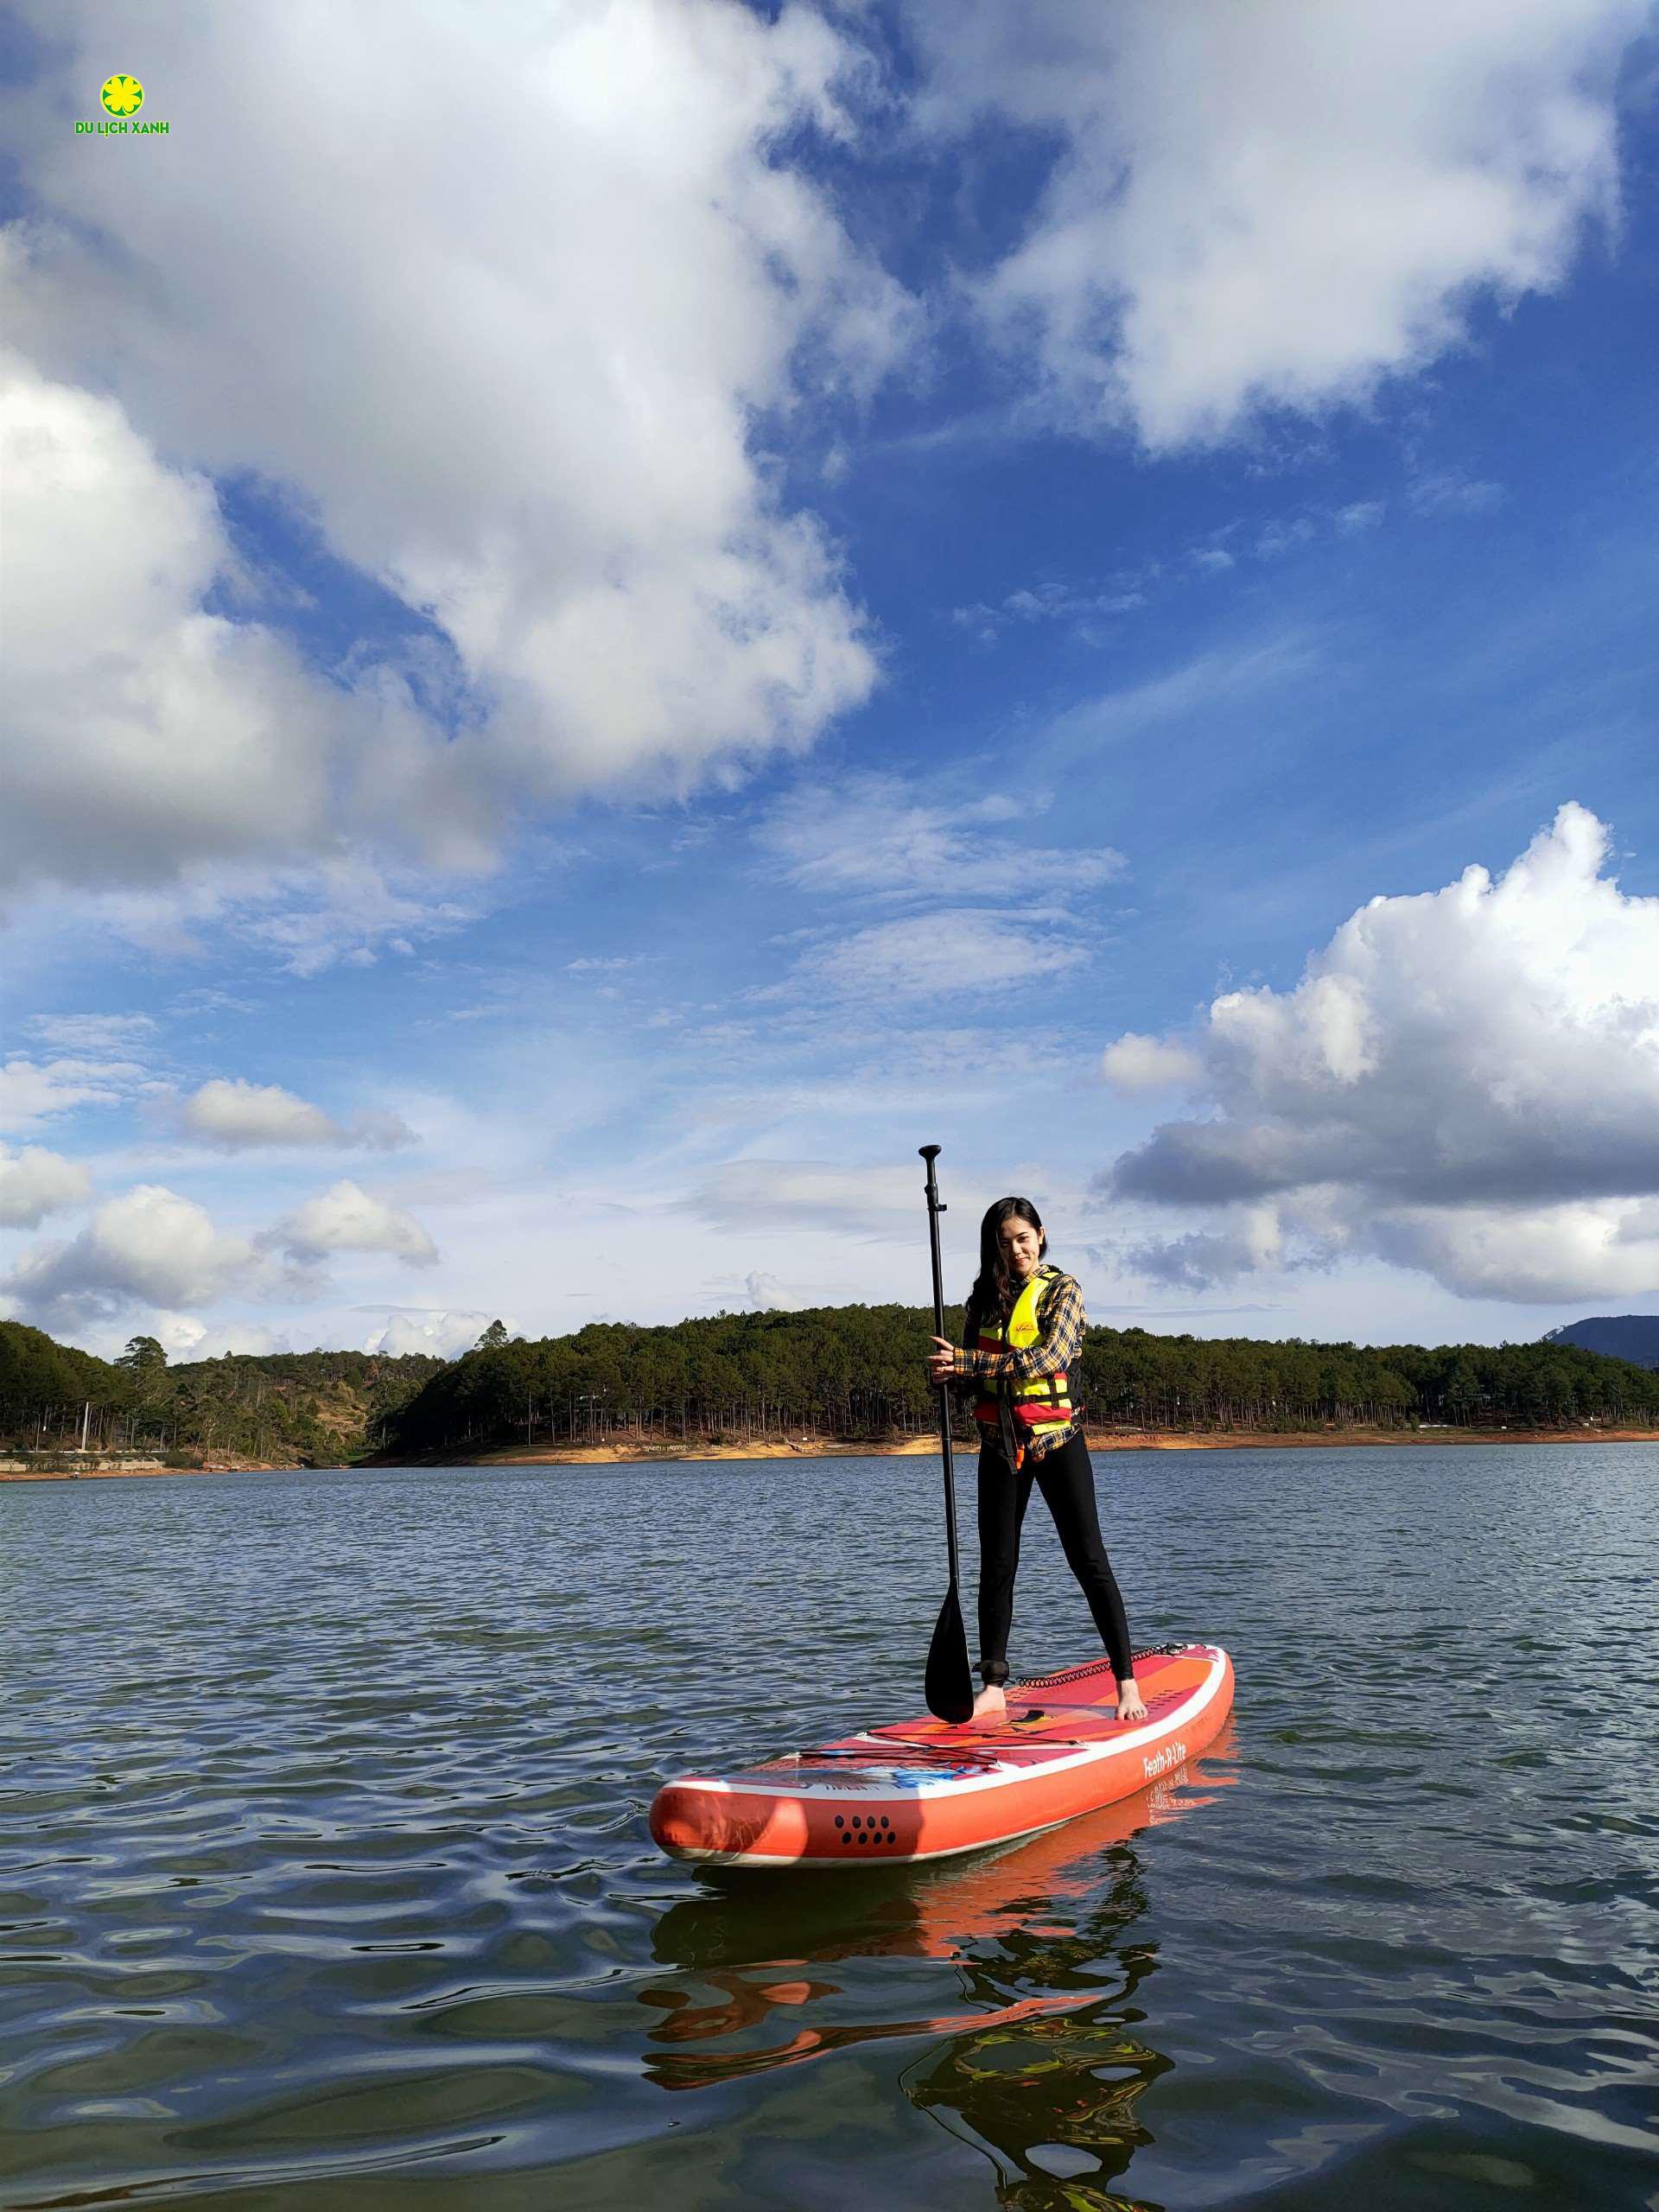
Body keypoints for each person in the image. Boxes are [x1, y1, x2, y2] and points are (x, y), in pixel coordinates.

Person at [927, 1196, 1147, 1727]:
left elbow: (1049, 1357)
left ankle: (1126, 1682)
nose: (1016, 1250)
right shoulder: (981, 1302)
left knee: (1087, 1559)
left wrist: (970, 1362)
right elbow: (973, 1381)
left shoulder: (1064, 1291)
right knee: (996, 1566)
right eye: (1004, 1243)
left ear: (1041, 1236)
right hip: (999, 1447)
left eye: (1023, 1238)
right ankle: (994, 1686)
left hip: (1055, 1442)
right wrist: (948, 1377)